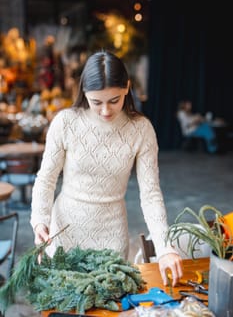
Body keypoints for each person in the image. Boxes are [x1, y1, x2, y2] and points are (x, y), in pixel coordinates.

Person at [30, 50, 183, 286]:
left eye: (114, 100)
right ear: (84, 93)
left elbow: (151, 194)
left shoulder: (141, 129)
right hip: (64, 234)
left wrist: (164, 247)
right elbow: (46, 179)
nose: (105, 111)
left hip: (111, 236)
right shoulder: (65, 122)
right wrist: (40, 220)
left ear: (127, 88)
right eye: (96, 102)